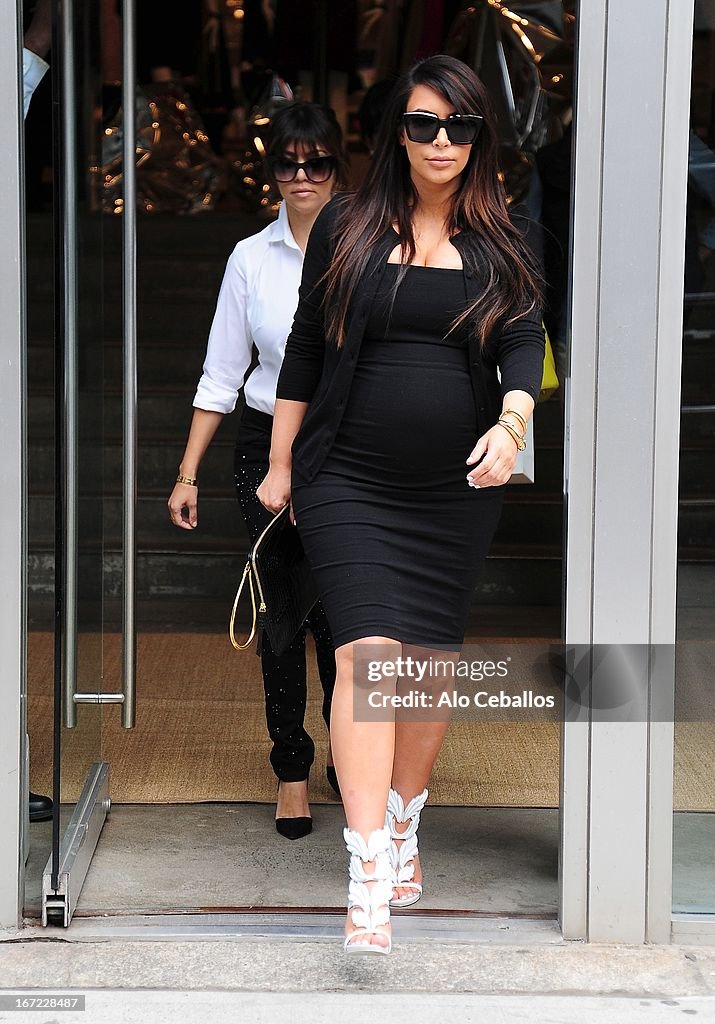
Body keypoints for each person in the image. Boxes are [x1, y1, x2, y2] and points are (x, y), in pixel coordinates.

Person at [257, 55, 545, 952]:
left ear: (479, 136)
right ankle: (368, 867)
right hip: (347, 474)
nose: (439, 142)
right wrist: (281, 465)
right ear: (397, 133)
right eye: (422, 125)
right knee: (366, 657)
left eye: (457, 127)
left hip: (450, 490)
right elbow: (304, 351)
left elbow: (526, 340)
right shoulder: (346, 224)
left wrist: (512, 423)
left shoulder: (508, 235)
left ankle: (406, 818)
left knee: (423, 671)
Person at [167, 102, 348, 839]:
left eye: (316, 164)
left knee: (346, 619)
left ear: (340, 169)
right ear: (270, 170)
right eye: (287, 164)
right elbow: (221, 372)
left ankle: (352, 754)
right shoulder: (251, 256)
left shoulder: (370, 248)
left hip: (346, 447)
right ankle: (292, 772)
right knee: (283, 615)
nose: (300, 178)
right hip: (262, 442)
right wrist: (187, 473)